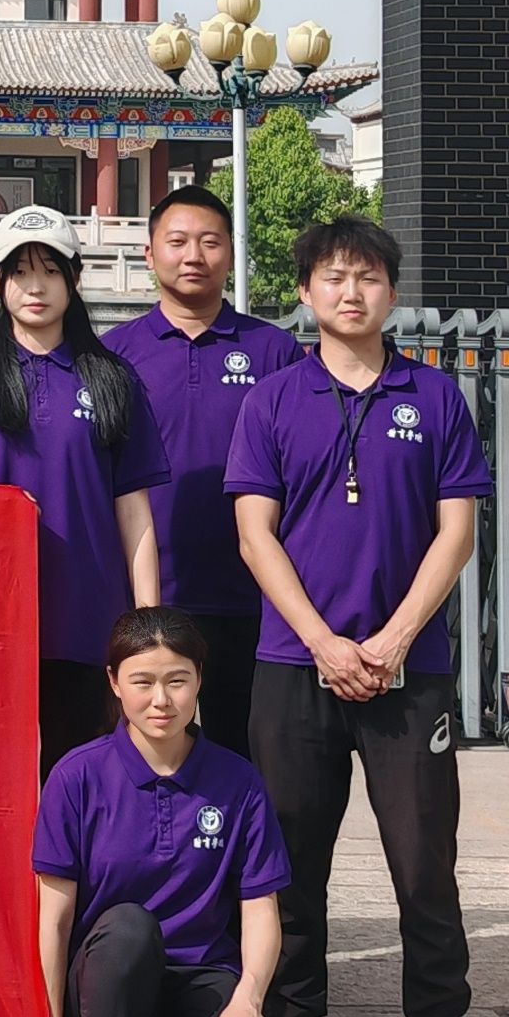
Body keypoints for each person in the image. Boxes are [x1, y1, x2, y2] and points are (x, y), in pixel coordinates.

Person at [223, 214, 496, 1017]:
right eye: (334, 277)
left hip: (408, 674)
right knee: (292, 857)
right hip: (292, 664)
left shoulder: (435, 397)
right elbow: (255, 535)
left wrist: (394, 640)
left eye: (369, 277)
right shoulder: (272, 401)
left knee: (424, 859)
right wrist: (324, 643)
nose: (351, 291)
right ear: (305, 292)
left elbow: (456, 533)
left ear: (392, 292)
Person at [34, 608, 288, 1017]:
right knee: (129, 928)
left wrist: (249, 1000)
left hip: (199, 975)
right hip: (107, 979)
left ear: (199, 680)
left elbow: (260, 910)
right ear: (113, 682)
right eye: (142, 681)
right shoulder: (77, 777)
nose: (161, 700)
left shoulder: (238, 782)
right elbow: (54, 920)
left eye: (177, 681)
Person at [0, 203, 164, 768]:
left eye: (51, 271)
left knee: (77, 778)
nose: (35, 286)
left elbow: (134, 511)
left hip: (85, 621)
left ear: (74, 278)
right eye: (20, 271)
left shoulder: (112, 377)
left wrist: (148, 625)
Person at [108, 186, 309, 696]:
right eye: (177, 242)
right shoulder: (113, 354)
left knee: (243, 738)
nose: (193, 256)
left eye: (210, 242)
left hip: (252, 595)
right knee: (152, 732)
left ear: (232, 254)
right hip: (143, 592)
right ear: (149, 254)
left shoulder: (275, 351)